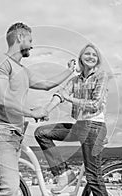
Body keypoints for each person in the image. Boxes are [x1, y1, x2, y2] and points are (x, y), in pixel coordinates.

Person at [0, 22, 76, 196]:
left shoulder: (23, 71)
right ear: (20, 37)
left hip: (15, 134)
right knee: (10, 190)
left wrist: (69, 71)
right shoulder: (1, 62)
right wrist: (32, 112)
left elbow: (47, 84)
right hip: (1, 132)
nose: (32, 45)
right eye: (30, 40)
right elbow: (1, 98)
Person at [35, 43, 109, 195]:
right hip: (80, 126)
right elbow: (60, 95)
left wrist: (71, 99)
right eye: (87, 54)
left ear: (98, 60)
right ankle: (64, 174)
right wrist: (45, 111)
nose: (91, 57)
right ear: (81, 58)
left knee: (93, 177)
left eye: (94, 55)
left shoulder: (101, 76)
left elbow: (95, 104)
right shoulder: (75, 80)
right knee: (41, 133)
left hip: (94, 127)